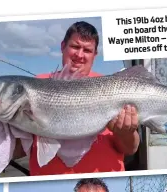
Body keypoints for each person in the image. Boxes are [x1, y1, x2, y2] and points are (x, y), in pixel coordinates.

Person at [12, 21, 140, 175]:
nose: (79, 55)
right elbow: (18, 152)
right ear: (62, 46)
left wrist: (125, 131)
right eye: (75, 46)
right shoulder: (36, 86)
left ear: (94, 55)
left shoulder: (113, 88)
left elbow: (130, 149)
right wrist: (5, 124)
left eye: (87, 50)